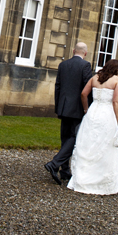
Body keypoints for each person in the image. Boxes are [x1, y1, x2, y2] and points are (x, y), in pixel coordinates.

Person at [66, 58, 118, 195]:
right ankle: (100, 182)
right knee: (104, 146)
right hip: (107, 115)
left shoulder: (95, 78)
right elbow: (116, 101)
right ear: (117, 70)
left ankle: (82, 179)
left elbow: (83, 94)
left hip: (92, 113)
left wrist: (86, 109)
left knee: (88, 144)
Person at [44, 42, 93, 185]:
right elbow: (86, 88)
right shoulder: (85, 66)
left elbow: (57, 86)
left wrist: (59, 106)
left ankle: (65, 172)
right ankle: (54, 164)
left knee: (65, 138)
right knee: (74, 137)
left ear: (73, 51)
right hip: (77, 108)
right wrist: (88, 108)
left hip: (64, 107)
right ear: (85, 53)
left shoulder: (62, 65)